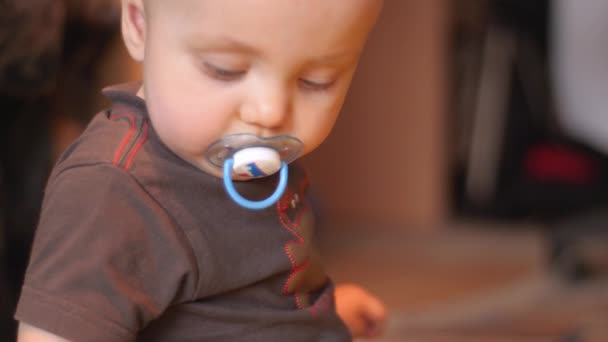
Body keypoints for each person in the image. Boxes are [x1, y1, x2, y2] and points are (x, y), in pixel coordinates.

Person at [15, 0, 387, 340]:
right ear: (138, 24)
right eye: (225, 70)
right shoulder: (111, 191)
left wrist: (315, 311)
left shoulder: (254, 157)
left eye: (316, 80)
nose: (271, 112)